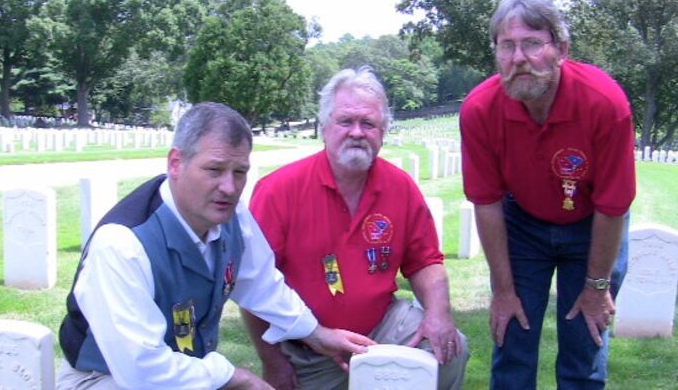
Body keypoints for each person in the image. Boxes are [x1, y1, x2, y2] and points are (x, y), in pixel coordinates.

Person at [56, 102, 374, 390]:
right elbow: (142, 370)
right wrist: (234, 376)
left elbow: (262, 283)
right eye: (214, 170)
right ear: (176, 163)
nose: (229, 187)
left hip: (183, 374)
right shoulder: (121, 245)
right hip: (102, 378)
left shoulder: (233, 217)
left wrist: (316, 334)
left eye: (240, 172)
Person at [242, 67, 469, 390]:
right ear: (324, 128)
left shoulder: (399, 187)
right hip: (308, 346)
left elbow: (425, 262)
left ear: (383, 131)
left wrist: (438, 314)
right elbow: (253, 284)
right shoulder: (278, 191)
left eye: (369, 123)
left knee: (449, 349)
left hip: (383, 328)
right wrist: (272, 361)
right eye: (346, 121)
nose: (357, 132)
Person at [459, 0, 635, 389]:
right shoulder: (479, 109)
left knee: (583, 347)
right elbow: (486, 203)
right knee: (513, 342)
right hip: (522, 224)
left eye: (533, 43)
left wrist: (596, 288)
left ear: (562, 49)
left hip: (593, 225)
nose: (519, 57)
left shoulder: (605, 103)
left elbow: (613, 207)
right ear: (497, 54)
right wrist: (503, 290)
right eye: (507, 46)